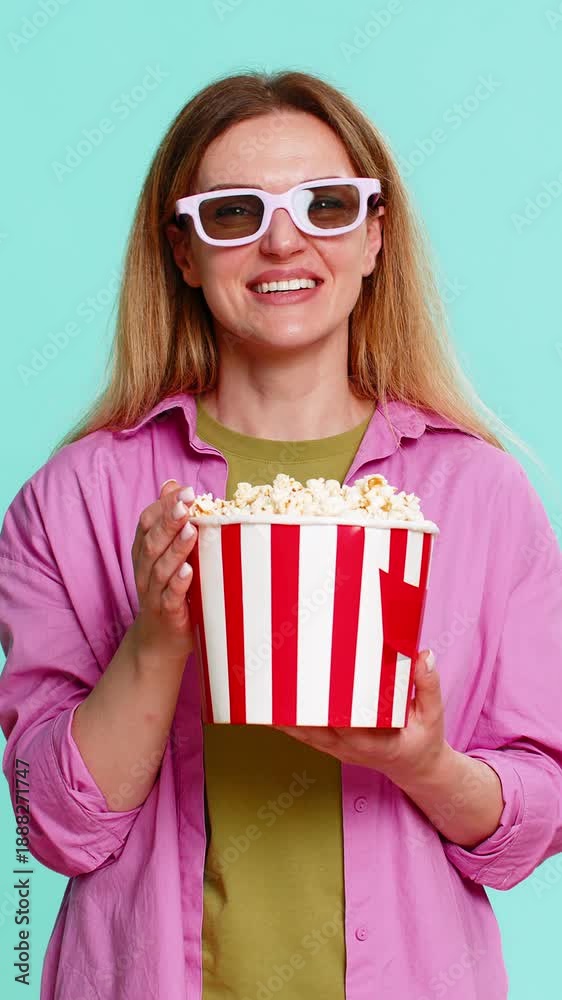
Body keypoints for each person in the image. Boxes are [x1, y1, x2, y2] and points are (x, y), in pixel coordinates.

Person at [0, 69, 561, 1000]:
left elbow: (536, 820)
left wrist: (424, 764)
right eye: (234, 213)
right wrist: (157, 636)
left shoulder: (482, 496)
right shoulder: (73, 500)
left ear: (375, 235)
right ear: (183, 251)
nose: (283, 241)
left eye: (325, 204)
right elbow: (56, 827)